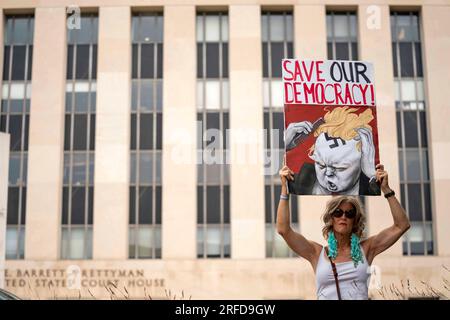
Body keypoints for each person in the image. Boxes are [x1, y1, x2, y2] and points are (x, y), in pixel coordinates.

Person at [277, 163, 410, 300]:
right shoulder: (316, 253)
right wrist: (284, 190)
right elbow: (283, 230)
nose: (343, 217)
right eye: (338, 212)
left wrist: (386, 189)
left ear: (355, 221)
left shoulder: (367, 249)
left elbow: (402, 226)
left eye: (350, 213)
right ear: (331, 219)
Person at [284, 107, 379, 195]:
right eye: (320, 165)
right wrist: (286, 147)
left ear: (362, 162)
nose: (328, 173)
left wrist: (372, 175)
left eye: (340, 168)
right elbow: (283, 186)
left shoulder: (371, 187)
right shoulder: (299, 184)